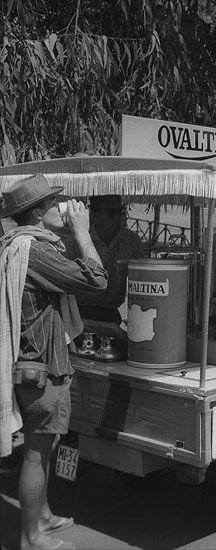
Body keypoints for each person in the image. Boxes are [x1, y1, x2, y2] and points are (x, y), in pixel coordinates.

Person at [0, 174, 107, 550]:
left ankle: (42, 516)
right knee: (35, 453)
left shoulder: (19, 246)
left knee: (43, 450)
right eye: (55, 204)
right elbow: (97, 281)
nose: (64, 209)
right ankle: (31, 538)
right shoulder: (37, 251)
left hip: (37, 367)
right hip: (42, 371)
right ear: (39, 212)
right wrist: (84, 233)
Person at [61, 195, 144, 326]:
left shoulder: (132, 242)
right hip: (77, 315)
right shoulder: (73, 242)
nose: (118, 217)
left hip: (111, 315)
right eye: (112, 213)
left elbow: (141, 287)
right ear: (94, 215)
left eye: (121, 211)